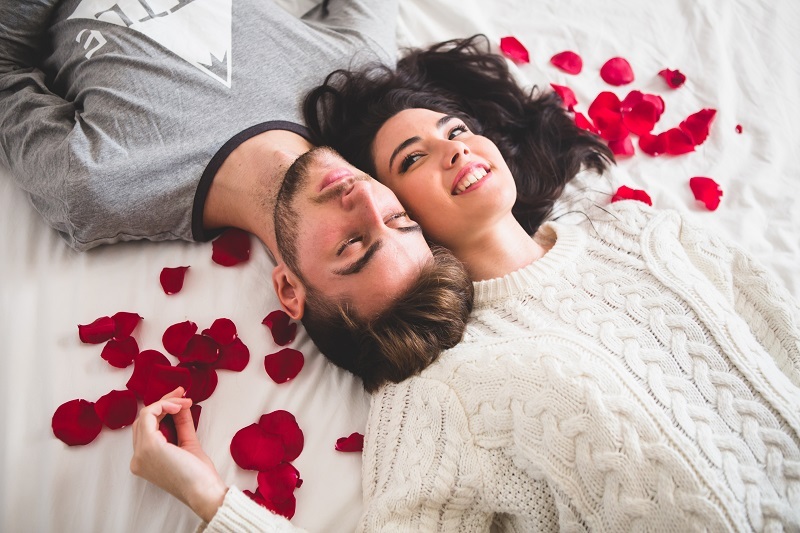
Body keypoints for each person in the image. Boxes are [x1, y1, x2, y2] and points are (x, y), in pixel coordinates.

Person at [131, 37, 800, 530]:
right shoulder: (437, 388)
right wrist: (210, 500)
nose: (456, 148)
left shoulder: (639, 230)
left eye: (456, 130)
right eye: (412, 159)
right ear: (404, 215)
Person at [0, 1, 474, 388]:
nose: (365, 196)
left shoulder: (97, 185)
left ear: (289, 288)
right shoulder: (354, 74)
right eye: (398, 219)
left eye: (352, 244)